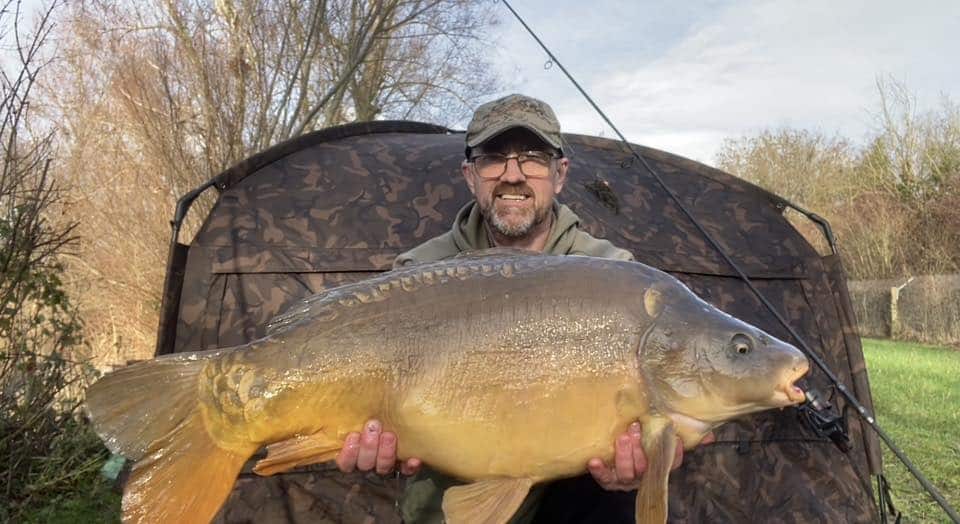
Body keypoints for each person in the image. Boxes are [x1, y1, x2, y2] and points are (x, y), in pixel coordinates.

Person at [334, 94, 712, 522]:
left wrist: (638, 468)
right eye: (493, 158)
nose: (513, 175)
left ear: (560, 173)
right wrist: (371, 442)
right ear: (470, 175)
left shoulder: (618, 277)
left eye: (532, 158)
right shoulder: (419, 272)